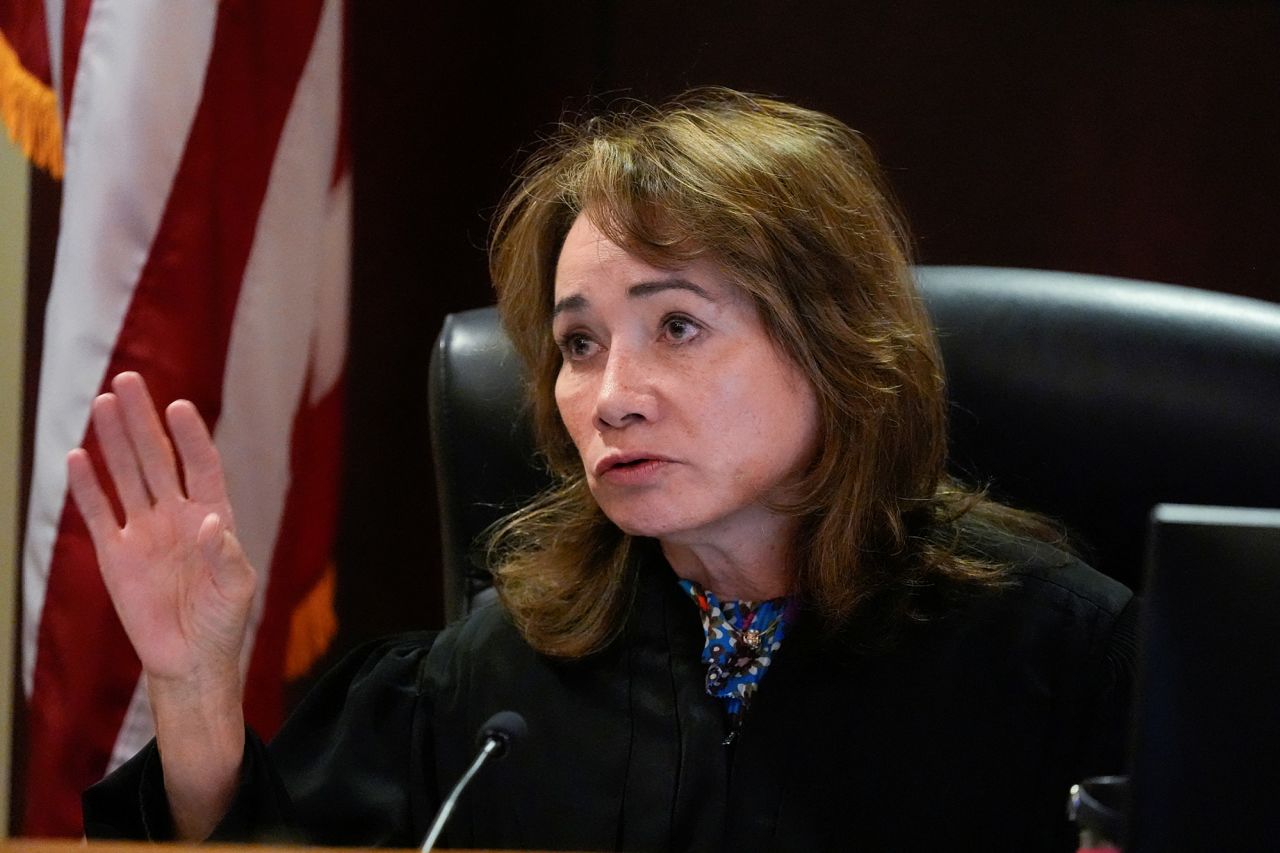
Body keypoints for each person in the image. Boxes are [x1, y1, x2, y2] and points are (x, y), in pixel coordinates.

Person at [80, 88, 1135, 851]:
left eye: (676, 325)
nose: (611, 393)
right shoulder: (506, 671)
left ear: (834, 346)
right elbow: (260, 844)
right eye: (579, 344)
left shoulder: (1058, 656)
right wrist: (196, 682)